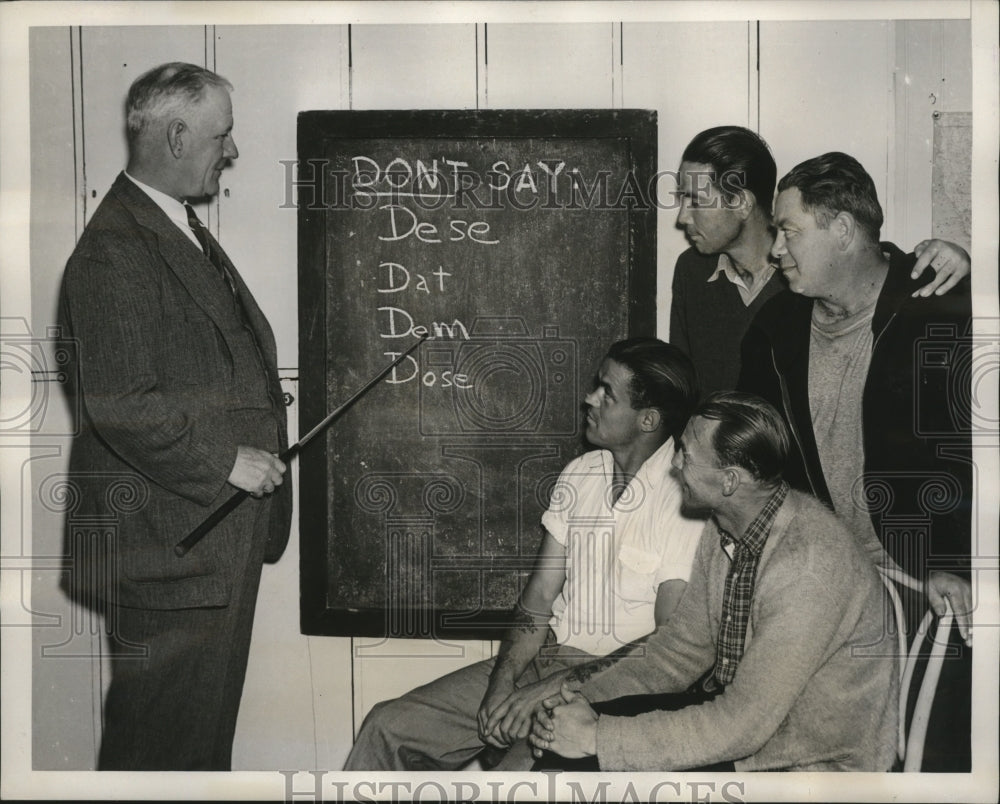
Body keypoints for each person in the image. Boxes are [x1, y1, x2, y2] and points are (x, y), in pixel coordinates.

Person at [58, 62, 291, 770]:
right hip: (172, 549)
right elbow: (120, 402)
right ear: (178, 132)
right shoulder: (115, 249)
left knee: (192, 749)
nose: (232, 149)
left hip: (201, 544)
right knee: (163, 754)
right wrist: (225, 462)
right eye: (222, 134)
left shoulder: (170, 228)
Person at [343, 338, 705, 770]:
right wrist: (503, 681)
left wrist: (551, 690)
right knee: (388, 726)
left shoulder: (685, 498)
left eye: (607, 392)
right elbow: (537, 602)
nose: (589, 398)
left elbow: (667, 645)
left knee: (511, 783)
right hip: (546, 662)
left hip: (618, 686)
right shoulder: (581, 473)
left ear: (648, 419)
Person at [738, 151, 973, 770]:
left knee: (926, 755)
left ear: (842, 229)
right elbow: (762, 464)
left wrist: (953, 560)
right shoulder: (774, 327)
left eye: (789, 230)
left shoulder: (940, 303)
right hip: (827, 577)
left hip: (926, 580)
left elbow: (971, 446)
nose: (775, 250)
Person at [528, 392, 898, 772]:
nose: (673, 463)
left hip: (806, 764)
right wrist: (580, 702)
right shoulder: (726, 525)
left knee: (584, 760)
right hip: (746, 728)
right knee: (562, 751)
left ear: (729, 481)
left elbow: (742, 725)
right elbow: (677, 652)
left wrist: (596, 737)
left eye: (686, 455)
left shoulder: (806, 567)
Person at [669, 125, 970, 394]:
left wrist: (960, 263)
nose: (682, 217)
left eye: (695, 200)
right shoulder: (693, 272)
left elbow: (872, 268)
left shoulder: (809, 279)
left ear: (741, 202)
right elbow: (681, 386)